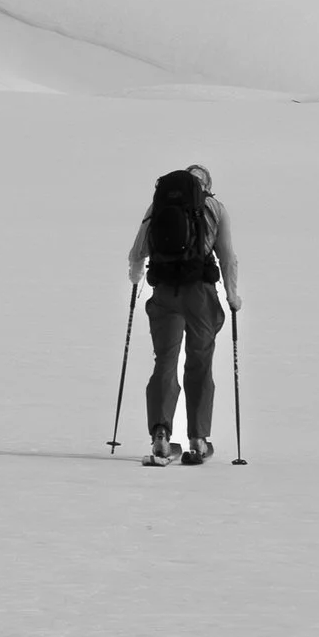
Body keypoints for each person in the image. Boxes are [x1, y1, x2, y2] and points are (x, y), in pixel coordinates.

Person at [128, 162, 239, 465]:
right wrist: (231, 295)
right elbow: (227, 257)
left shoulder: (159, 205)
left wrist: (136, 278)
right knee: (199, 362)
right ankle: (198, 439)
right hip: (200, 295)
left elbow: (137, 251)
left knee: (165, 361)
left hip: (164, 292)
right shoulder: (214, 207)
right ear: (206, 185)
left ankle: (161, 434)